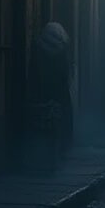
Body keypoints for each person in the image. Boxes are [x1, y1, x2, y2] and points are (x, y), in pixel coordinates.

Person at [31, 22, 73, 153]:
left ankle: (42, 150)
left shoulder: (38, 46)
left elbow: (34, 68)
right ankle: (62, 148)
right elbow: (65, 71)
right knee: (63, 119)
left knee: (44, 119)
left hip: (42, 89)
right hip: (60, 90)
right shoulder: (62, 49)